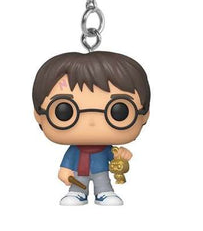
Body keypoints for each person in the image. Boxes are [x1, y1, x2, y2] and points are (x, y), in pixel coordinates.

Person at [32, 51, 150, 206]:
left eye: (119, 111)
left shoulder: (105, 149)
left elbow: (115, 157)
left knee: (103, 182)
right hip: (78, 173)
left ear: (144, 115)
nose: (92, 122)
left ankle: (104, 192)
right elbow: (67, 163)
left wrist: (121, 156)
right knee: (78, 186)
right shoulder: (74, 150)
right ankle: (77, 193)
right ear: (38, 115)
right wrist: (64, 171)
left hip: (101, 170)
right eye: (65, 111)